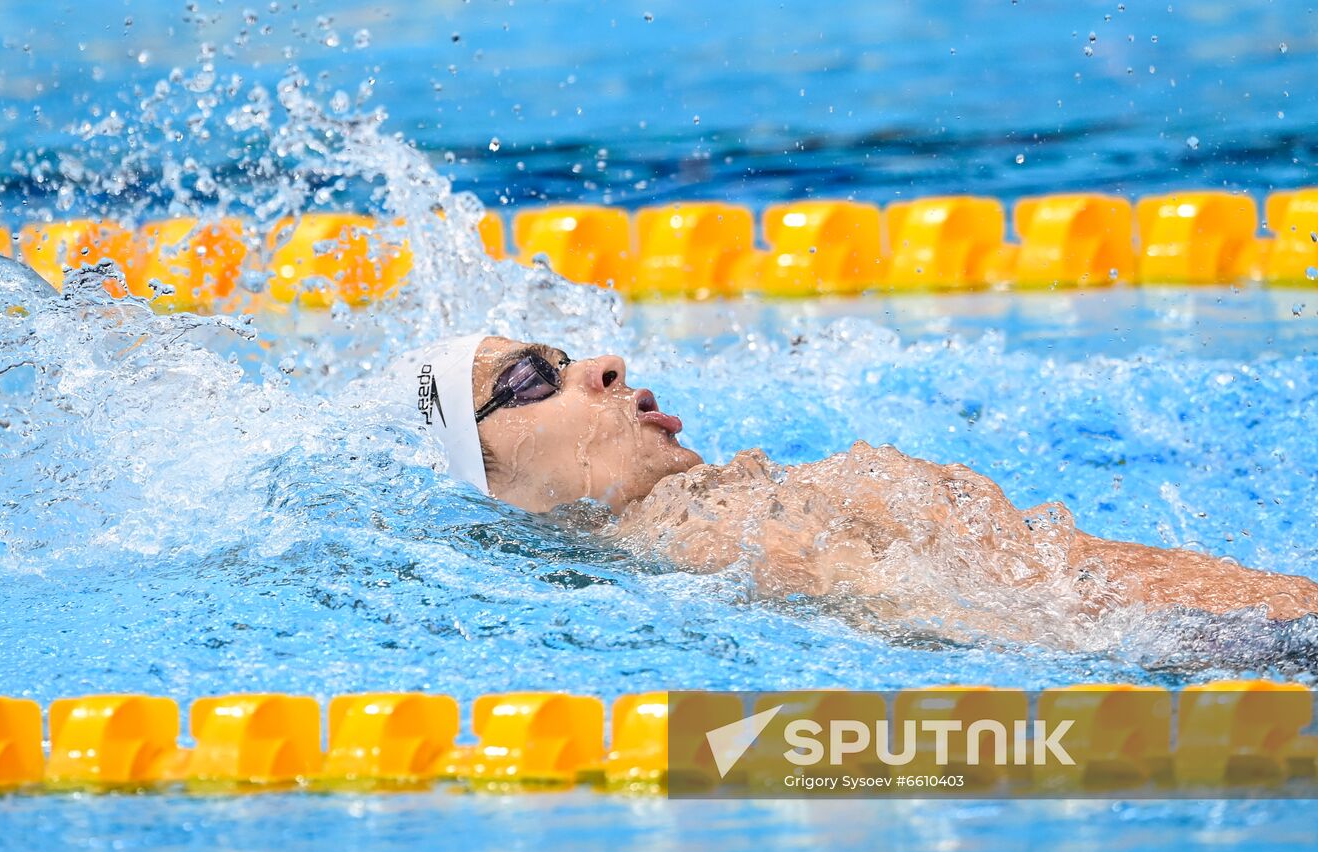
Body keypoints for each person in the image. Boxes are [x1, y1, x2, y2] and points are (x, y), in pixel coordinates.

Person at [392, 333, 1318, 624]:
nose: (600, 364)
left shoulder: (720, 518)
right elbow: (1050, 623)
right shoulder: (714, 546)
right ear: (494, 489)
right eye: (527, 380)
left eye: (561, 352)